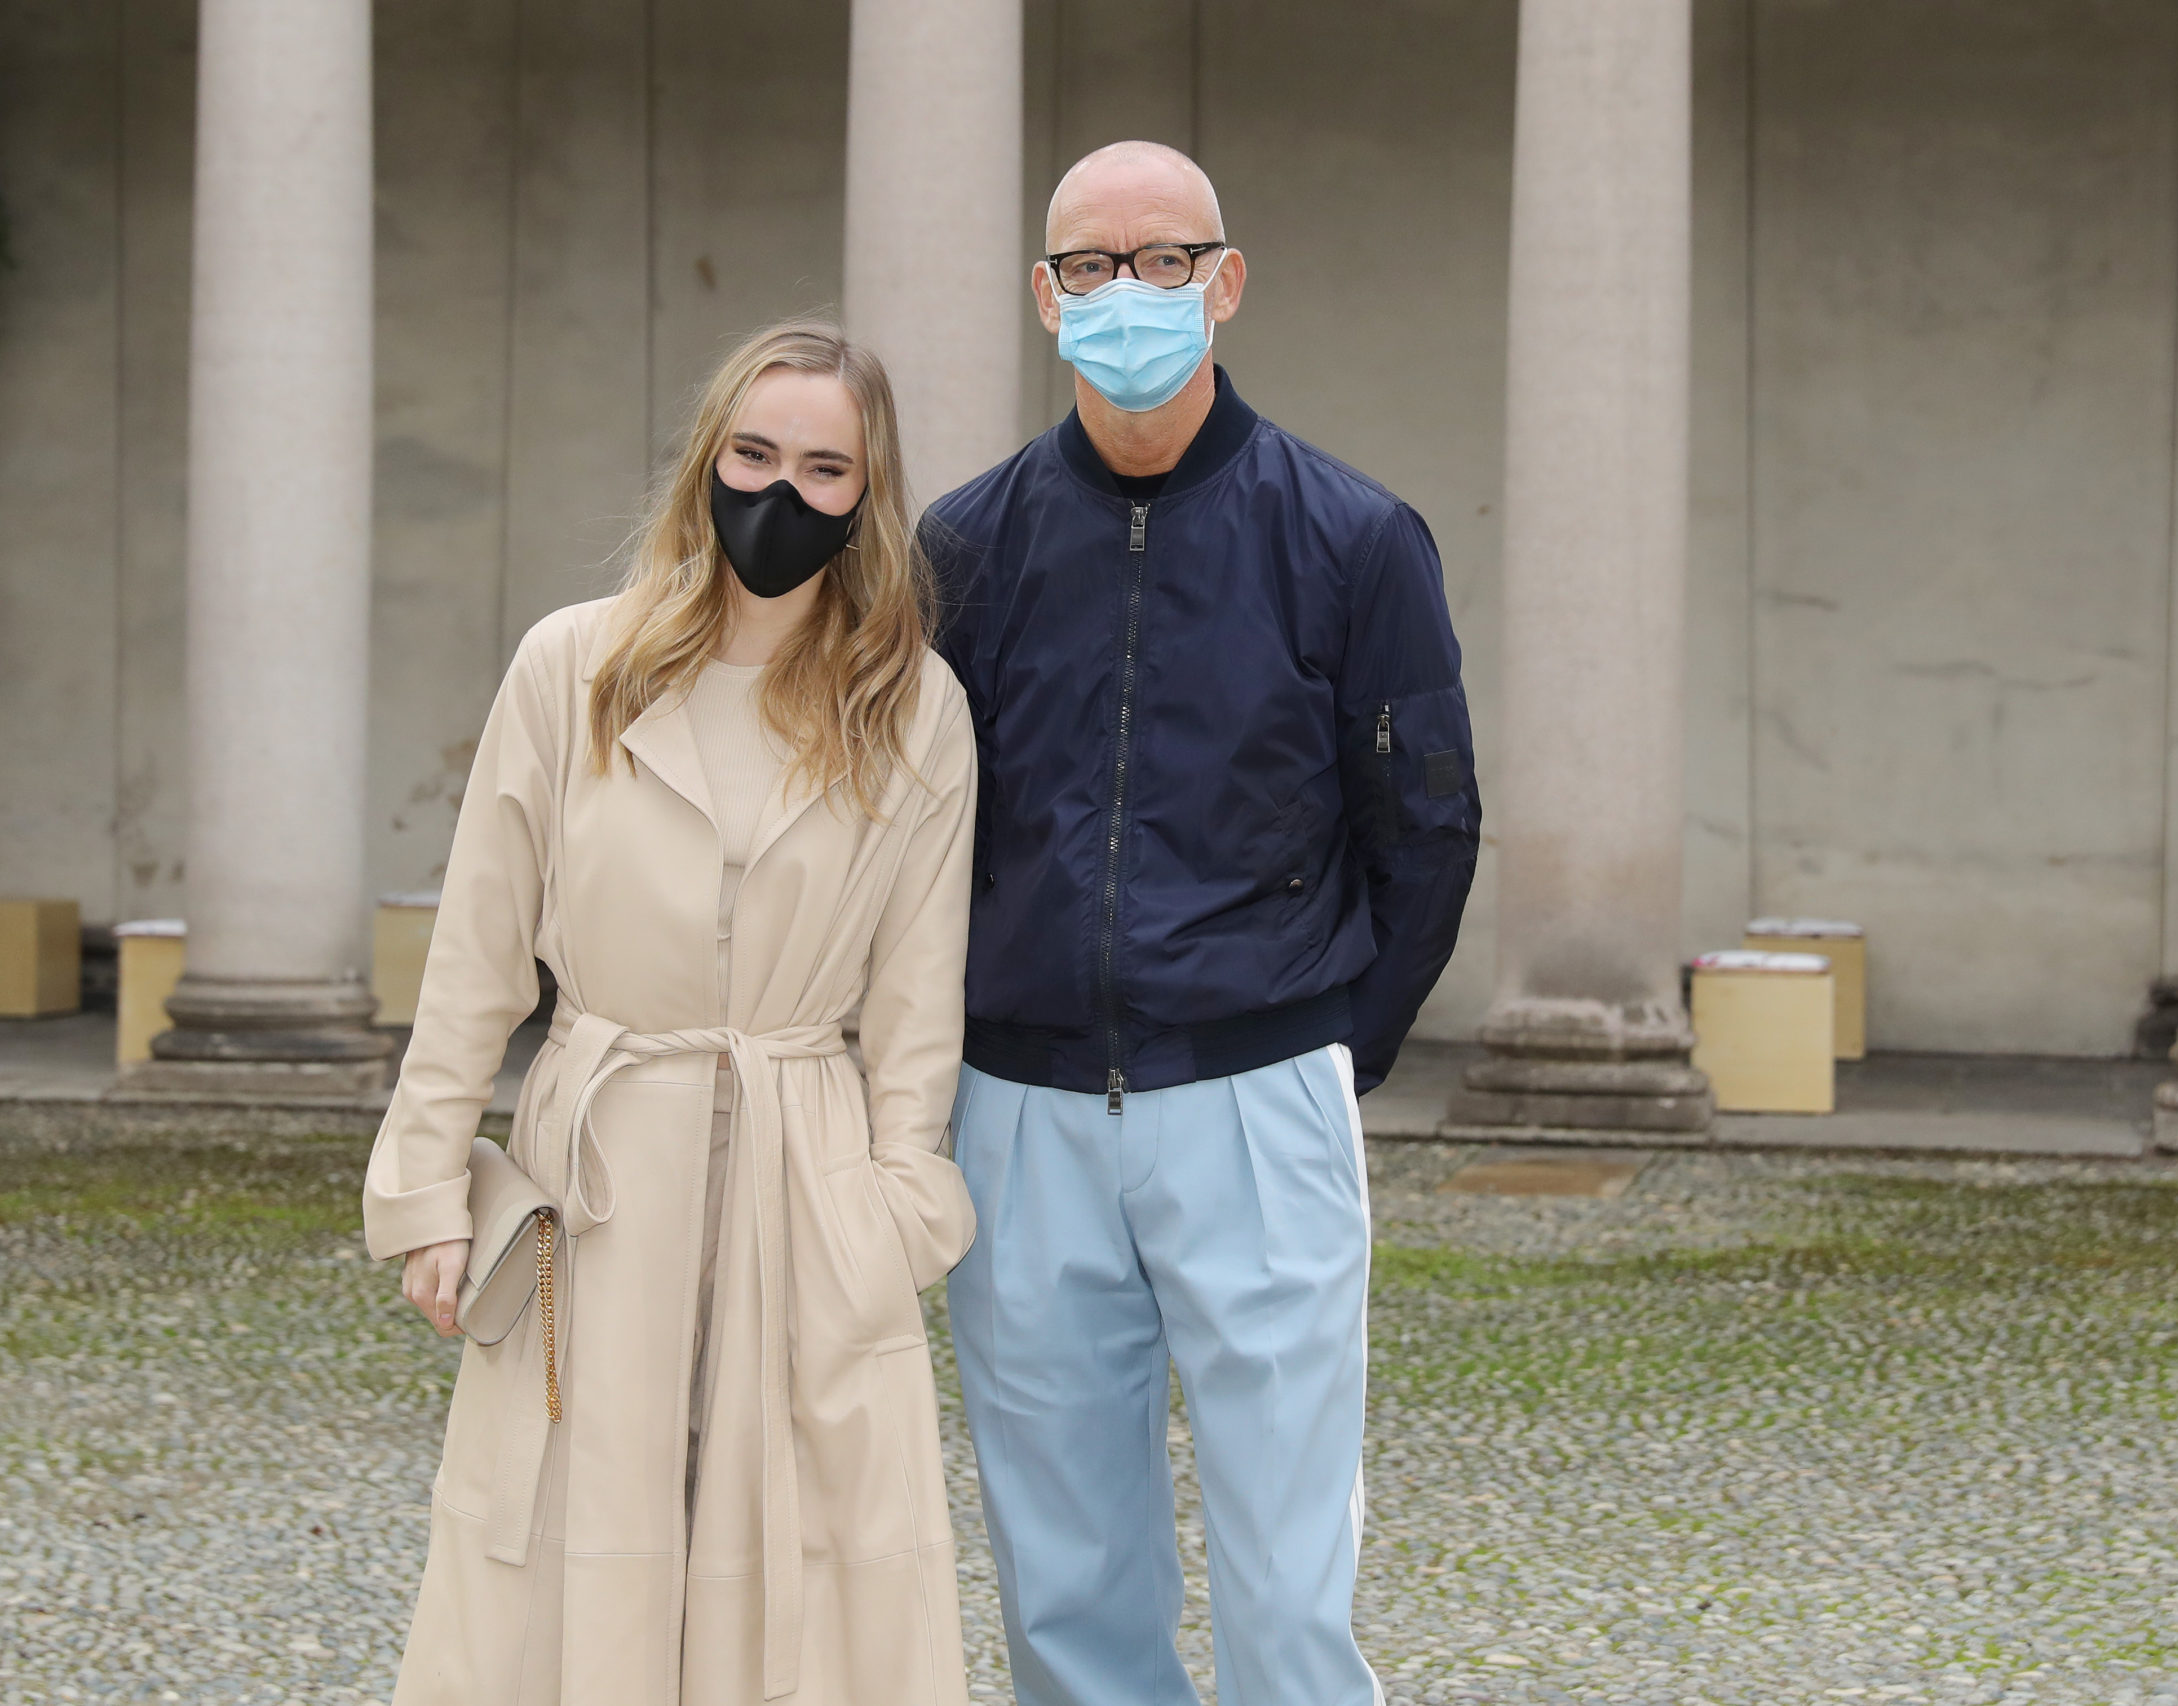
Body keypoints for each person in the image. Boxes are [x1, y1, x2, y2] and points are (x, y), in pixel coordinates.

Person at [926, 142, 1481, 1706]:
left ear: (1225, 282)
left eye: (1165, 259)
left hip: (1257, 1097)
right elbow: (915, 835)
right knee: (1064, 1583)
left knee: (1291, 1582)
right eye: (1093, 266)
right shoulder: (963, 550)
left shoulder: (1355, 536)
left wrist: (1326, 1045)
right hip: (1020, 1109)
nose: (1131, 291)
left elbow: (1429, 820)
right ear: (1047, 299)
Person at [363, 321, 978, 1705]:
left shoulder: (910, 707)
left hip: (807, 1169)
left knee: (811, 1559)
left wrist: (896, 1211)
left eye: (824, 469)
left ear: (868, 495)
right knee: (571, 1540)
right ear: (705, 458)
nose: (780, 491)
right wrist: (428, 1192)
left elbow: (917, 998)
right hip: (603, 1154)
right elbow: (476, 953)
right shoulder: (573, 666)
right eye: (753, 453)